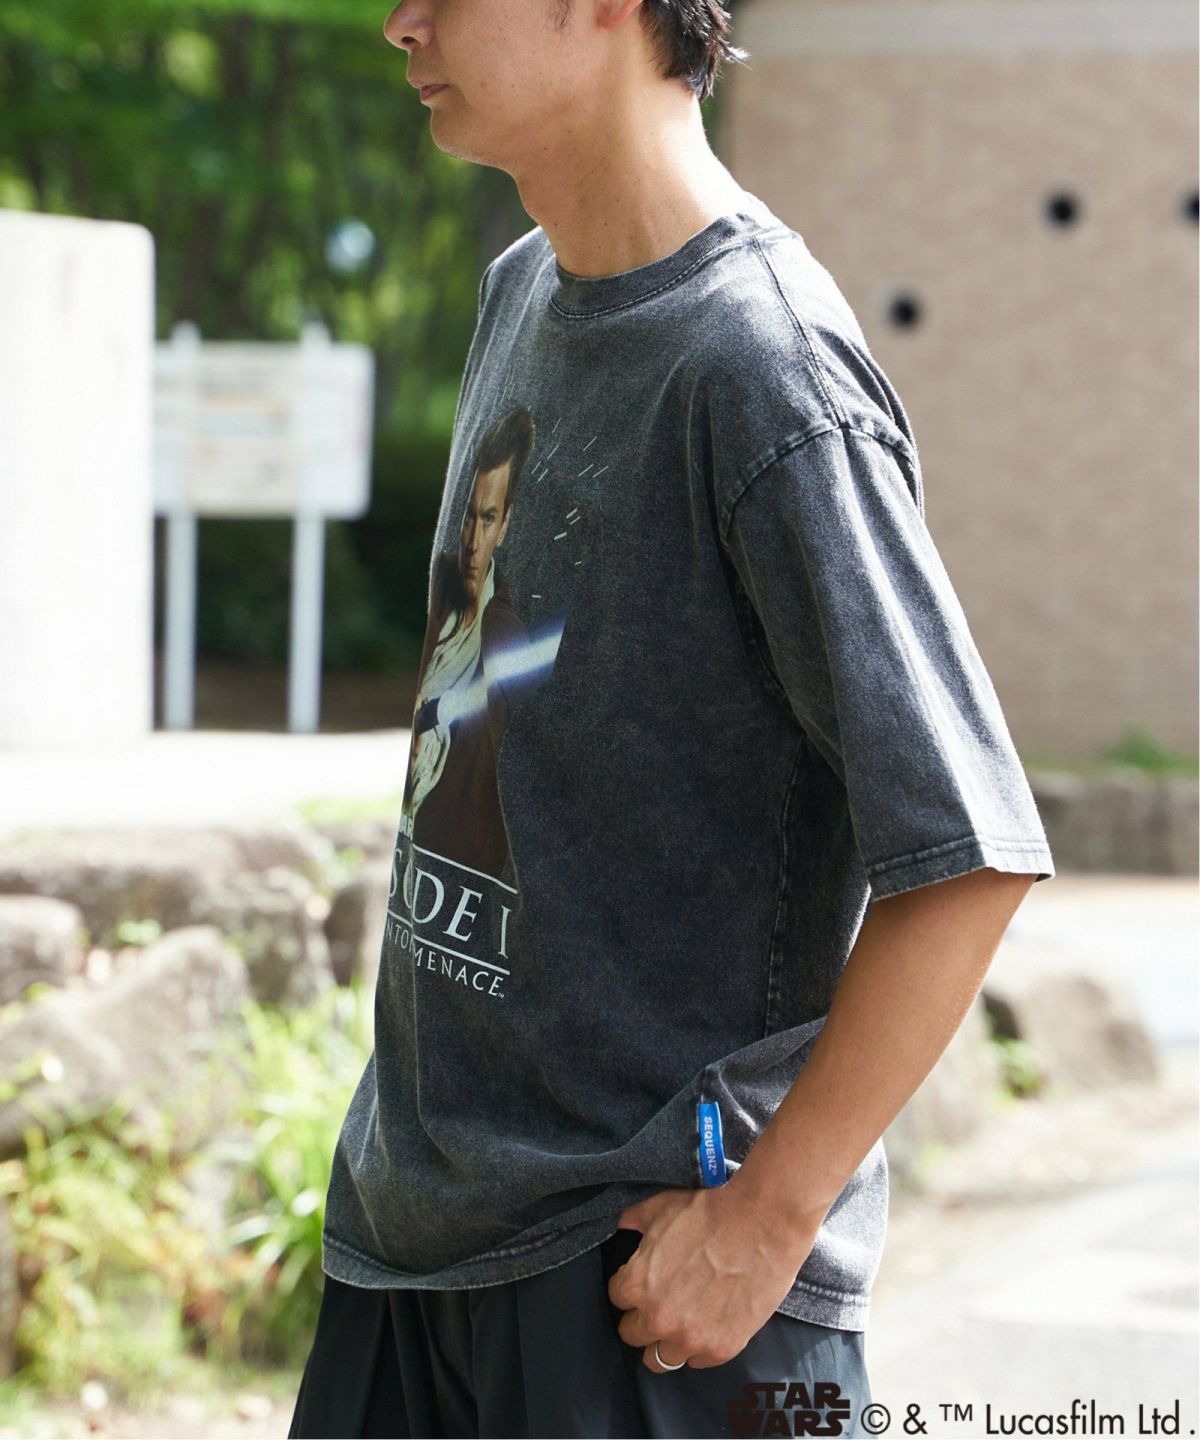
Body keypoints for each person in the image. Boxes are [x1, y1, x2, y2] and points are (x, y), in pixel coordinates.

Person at [289, 0, 1057, 1434]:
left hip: (646, 1298)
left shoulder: (763, 369)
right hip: (411, 1249)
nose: (402, 23)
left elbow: (969, 858)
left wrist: (765, 1223)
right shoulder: (526, 290)